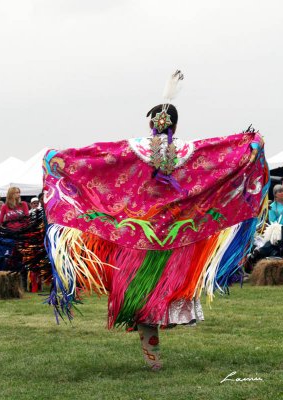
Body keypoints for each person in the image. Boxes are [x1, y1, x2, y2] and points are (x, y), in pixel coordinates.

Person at [42, 70, 269, 370]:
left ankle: (153, 360)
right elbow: (221, 154)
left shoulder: (131, 150)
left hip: (137, 241)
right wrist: (249, 145)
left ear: (151, 123)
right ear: (176, 124)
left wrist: (59, 158)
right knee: (163, 297)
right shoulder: (191, 152)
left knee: (142, 303)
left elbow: (97, 159)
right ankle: (159, 343)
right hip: (177, 239)